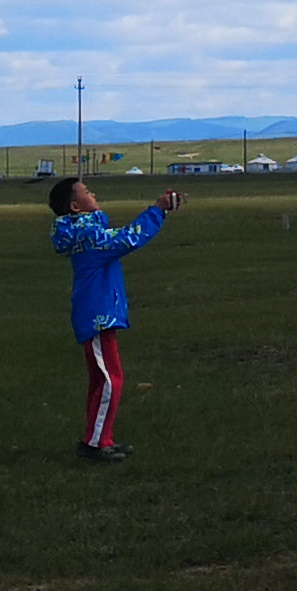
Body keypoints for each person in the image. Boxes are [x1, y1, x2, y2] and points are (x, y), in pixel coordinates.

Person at [50, 173, 180, 461]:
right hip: (98, 316)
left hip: (97, 315)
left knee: (102, 380)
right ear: (75, 206)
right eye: (86, 192)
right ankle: (96, 444)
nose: (93, 194)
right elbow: (131, 237)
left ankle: (100, 438)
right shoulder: (91, 239)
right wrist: (158, 210)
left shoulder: (85, 235)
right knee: (111, 380)